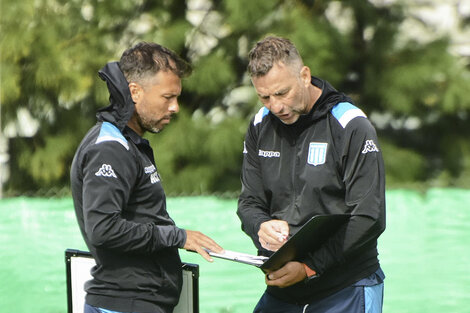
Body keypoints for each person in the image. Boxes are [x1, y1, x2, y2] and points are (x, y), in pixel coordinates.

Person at [70, 42, 223, 313]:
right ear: (135, 92)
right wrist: (176, 236)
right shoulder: (109, 148)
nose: (175, 107)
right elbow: (103, 229)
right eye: (167, 97)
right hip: (125, 303)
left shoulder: (128, 142)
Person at [237, 36, 386, 313]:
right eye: (264, 97)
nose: (276, 106)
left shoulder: (350, 124)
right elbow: (249, 203)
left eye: (282, 93)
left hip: (346, 286)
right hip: (284, 290)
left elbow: (369, 217)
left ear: (304, 76)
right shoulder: (260, 124)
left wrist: (309, 267)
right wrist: (260, 226)